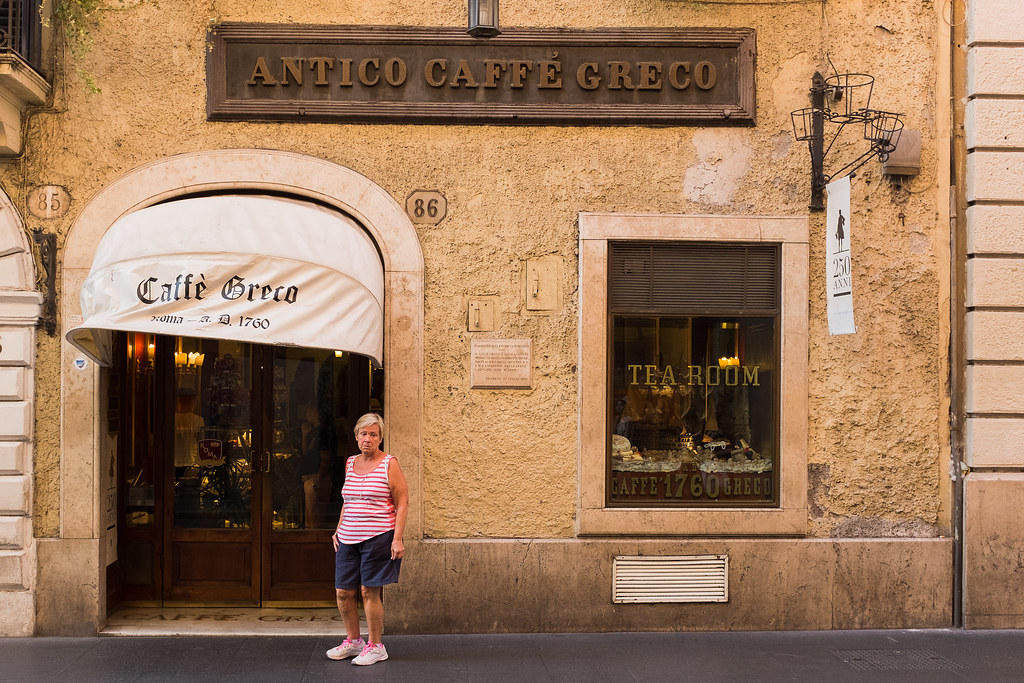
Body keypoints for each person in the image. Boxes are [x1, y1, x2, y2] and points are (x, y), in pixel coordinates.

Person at [326, 412, 408, 666]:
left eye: (373, 434)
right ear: (356, 437)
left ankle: (376, 646)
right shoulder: (350, 463)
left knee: (368, 591)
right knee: (343, 592)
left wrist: (397, 539)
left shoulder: (389, 464)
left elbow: (402, 502)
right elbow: (348, 500)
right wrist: (338, 529)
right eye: (364, 434)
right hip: (348, 538)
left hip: (378, 537)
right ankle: (354, 641)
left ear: (380, 438)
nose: (368, 439)